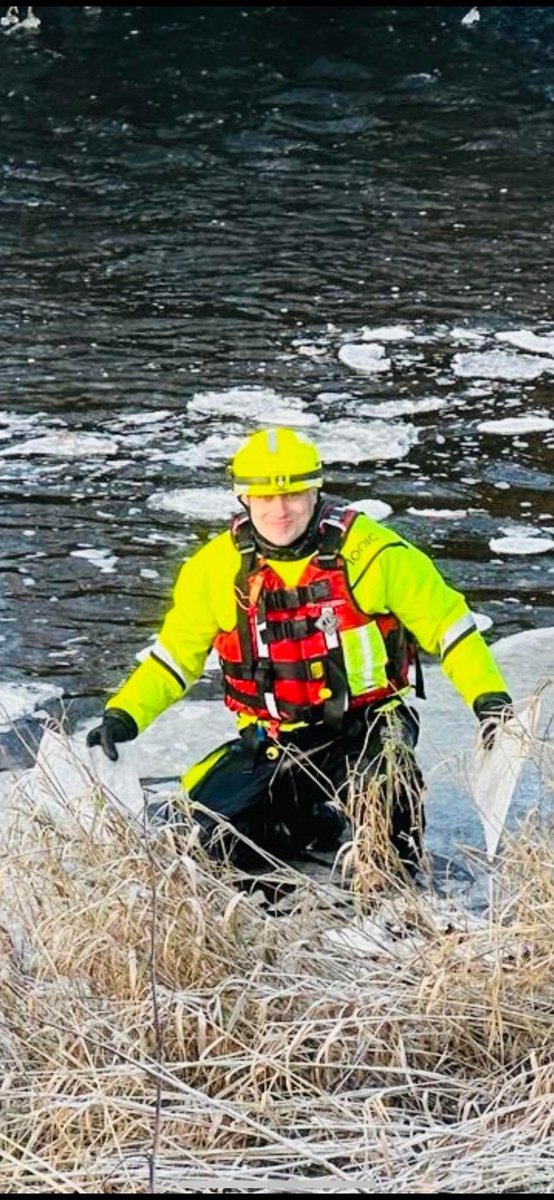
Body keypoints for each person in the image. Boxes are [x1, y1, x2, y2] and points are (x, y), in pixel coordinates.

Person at [87, 426, 513, 876]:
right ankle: (310, 822)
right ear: (244, 498)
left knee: (387, 818)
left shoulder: (377, 553)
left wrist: (489, 699)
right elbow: (174, 659)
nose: (280, 510)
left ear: (315, 491)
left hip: (369, 726)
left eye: (292, 494)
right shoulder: (212, 570)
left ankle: (389, 859)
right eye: (265, 497)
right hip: (273, 737)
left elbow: (450, 629)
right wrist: (123, 716)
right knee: (209, 839)